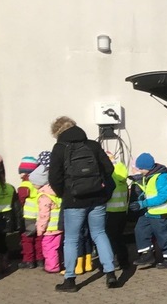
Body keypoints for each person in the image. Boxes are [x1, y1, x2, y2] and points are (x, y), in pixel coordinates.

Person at [48, 116, 119, 292]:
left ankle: (70, 279)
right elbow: (109, 169)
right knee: (100, 234)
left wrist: (63, 193)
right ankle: (110, 273)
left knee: (71, 239)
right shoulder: (92, 145)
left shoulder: (59, 148)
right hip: (97, 198)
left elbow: (54, 178)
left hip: (73, 200)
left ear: (58, 132)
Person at [131, 152, 167, 269]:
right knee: (140, 229)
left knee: (163, 236)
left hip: (160, 213)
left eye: (141, 168)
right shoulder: (149, 176)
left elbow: (162, 197)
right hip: (150, 211)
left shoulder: (161, 177)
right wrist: (142, 197)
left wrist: (143, 203)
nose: (139, 171)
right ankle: (147, 254)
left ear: (147, 168)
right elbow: (150, 191)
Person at [32, 163, 63, 274]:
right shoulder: (54, 193)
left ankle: (52, 267)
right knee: (57, 247)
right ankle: (58, 263)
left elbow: (44, 214)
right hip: (58, 226)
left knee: (49, 248)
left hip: (49, 228)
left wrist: (40, 228)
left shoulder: (44, 196)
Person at [103, 160, 133, 274]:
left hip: (110, 211)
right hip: (121, 211)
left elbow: (106, 195)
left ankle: (114, 261)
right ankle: (124, 261)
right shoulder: (122, 177)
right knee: (119, 238)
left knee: (110, 239)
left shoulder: (110, 177)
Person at [17, 157, 42, 269]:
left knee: (27, 238)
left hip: (29, 216)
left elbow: (21, 200)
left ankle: (29, 260)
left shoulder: (25, 185)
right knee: (38, 238)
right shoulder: (39, 182)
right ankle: (40, 259)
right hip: (40, 214)